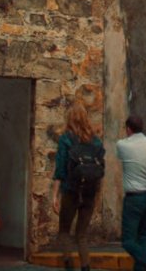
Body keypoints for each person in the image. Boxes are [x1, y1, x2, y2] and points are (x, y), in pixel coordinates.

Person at [51, 103, 104, 271]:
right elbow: (101, 167)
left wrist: (55, 195)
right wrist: (97, 193)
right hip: (89, 191)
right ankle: (85, 266)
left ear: (69, 118)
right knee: (81, 234)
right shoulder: (95, 141)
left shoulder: (66, 139)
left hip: (71, 190)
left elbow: (60, 169)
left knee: (64, 231)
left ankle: (68, 264)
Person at [116, 115, 146, 271]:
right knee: (142, 239)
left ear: (128, 129)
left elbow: (120, 157)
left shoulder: (122, 145)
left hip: (133, 198)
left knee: (128, 241)